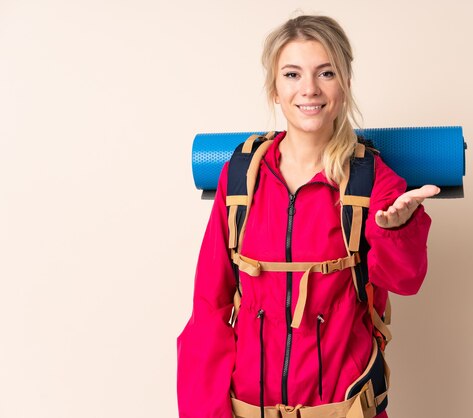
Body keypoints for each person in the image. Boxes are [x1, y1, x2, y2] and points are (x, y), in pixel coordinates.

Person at [177, 15, 440, 418]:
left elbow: (406, 280)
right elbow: (208, 307)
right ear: (275, 90)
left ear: (346, 84)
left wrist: (398, 229)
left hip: (346, 409)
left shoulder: (372, 180)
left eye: (326, 72)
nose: (310, 89)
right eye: (293, 74)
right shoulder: (241, 177)